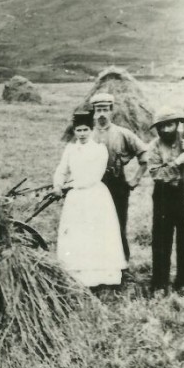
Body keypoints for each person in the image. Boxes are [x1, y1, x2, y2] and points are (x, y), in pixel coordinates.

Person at [53, 111, 125, 288]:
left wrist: (70, 185)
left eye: (85, 130)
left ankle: (101, 276)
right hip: (76, 198)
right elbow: (62, 169)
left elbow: (94, 175)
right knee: (77, 233)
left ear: (92, 130)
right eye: (79, 130)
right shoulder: (70, 149)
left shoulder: (99, 150)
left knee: (96, 233)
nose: (82, 133)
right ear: (74, 132)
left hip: (94, 195)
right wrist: (57, 184)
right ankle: (78, 275)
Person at [147, 106, 184, 294]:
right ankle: (159, 283)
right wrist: (177, 163)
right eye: (161, 126)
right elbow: (157, 174)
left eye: (169, 125)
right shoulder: (154, 146)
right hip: (164, 193)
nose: (165, 130)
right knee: (161, 238)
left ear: (178, 124)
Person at [89, 92, 148, 262]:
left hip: (117, 186)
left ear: (111, 111)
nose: (101, 114)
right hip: (93, 186)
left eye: (105, 109)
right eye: (98, 109)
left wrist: (135, 179)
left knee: (118, 225)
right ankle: (99, 264)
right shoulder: (88, 135)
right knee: (96, 224)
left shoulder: (123, 134)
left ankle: (122, 264)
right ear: (93, 111)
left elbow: (144, 155)